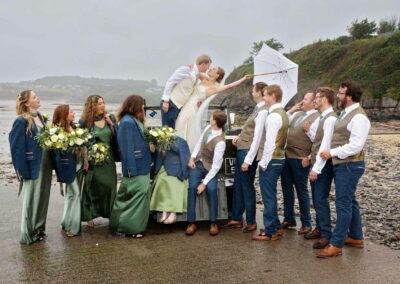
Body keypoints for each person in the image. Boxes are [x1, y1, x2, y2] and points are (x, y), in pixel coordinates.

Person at [316, 81, 370, 258]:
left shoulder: (359, 117)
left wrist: (331, 152)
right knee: (350, 201)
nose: (337, 96)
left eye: (340, 94)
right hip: (344, 164)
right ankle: (355, 236)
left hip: (350, 165)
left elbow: (355, 146)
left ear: (349, 97)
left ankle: (336, 244)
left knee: (343, 204)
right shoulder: (345, 114)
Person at [222, 82, 268, 233]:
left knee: (247, 185)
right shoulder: (257, 109)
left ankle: (251, 221)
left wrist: (249, 157)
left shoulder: (263, 110)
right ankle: (236, 217)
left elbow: (258, 135)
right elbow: (250, 130)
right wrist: (239, 137)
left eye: (254, 90)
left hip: (248, 151)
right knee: (239, 184)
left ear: (260, 92)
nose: (252, 92)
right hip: (243, 148)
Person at [9, 90, 53, 244]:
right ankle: (28, 234)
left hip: (46, 164)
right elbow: (16, 148)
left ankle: (39, 230)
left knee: (43, 198)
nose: (38, 97)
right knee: (31, 200)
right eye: (35, 97)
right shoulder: (21, 121)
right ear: (27, 103)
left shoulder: (40, 117)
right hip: (33, 166)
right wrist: (21, 171)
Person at [175, 67, 250, 151]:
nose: (210, 69)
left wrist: (243, 78)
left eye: (214, 69)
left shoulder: (216, 87)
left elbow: (229, 86)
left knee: (184, 126)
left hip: (191, 107)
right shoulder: (203, 78)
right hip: (186, 104)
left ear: (217, 75)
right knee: (182, 125)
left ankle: (183, 149)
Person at [110, 95, 152, 238]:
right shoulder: (127, 122)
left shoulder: (136, 120)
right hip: (135, 168)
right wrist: (130, 170)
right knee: (137, 199)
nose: (143, 108)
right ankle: (129, 228)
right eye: (142, 105)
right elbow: (126, 148)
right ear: (135, 105)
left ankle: (132, 226)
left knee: (140, 198)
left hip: (144, 165)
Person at [252, 84, 288, 241]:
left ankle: (270, 231)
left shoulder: (273, 116)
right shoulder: (283, 113)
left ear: (273, 96)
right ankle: (275, 226)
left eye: (265, 95)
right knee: (271, 194)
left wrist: (263, 163)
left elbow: (270, 143)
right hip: (280, 157)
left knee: (268, 196)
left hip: (272, 159)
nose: (264, 98)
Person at [280, 92, 319, 235]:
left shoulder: (317, 118)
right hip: (287, 155)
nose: (303, 101)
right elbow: (283, 121)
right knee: (286, 189)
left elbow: (318, 141)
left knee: (301, 191)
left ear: (314, 102)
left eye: (306, 99)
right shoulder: (296, 114)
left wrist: (309, 157)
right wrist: (290, 110)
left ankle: (306, 223)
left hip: (301, 158)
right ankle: (289, 218)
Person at [304, 87, 337, 248]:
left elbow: (325, 145)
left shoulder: (330, 119)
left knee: (320, 199)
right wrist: (308, 131)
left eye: (317, 97)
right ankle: (319, 227)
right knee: (316, 199)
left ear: (324, 99)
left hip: (323, 165)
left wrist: (316, 168)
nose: (315, 100)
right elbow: (316, 140)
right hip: (316, 162)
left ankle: (325, 234)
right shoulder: (322, 117)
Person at [185, 111, 227, 236]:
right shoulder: (208, 128)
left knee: (212, 189)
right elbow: (199, 143)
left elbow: (216, 167)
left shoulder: (221, 142)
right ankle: (191, 223)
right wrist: (192, 158)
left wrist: (204, 183)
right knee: (191, 187)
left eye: (211, 117)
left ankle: (213, 222)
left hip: (210, 169)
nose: (210, 118)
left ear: (215, 121)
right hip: (198, 165)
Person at [79, 95, 117, 227]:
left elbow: (117, 136)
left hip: (109, 159)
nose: (103, 105)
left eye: (103, 103)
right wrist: (87, 156)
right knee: (92, 187)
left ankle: (111, 213)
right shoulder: (84, 122)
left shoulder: (110, 118)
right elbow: (81, 141)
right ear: (92, 106)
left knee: (110, 186)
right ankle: (89, 215)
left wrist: (112, 124)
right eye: (100, 103)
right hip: (93, 160)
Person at [52, 105, 87, 237]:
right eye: (71, 111)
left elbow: (83, 146)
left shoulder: (76, 128)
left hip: (79, 166)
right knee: (76, 194)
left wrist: (84, 159)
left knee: (71, 196)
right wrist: (60, 174)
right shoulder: (58, 132)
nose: (73, 113)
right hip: (68, 168)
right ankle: (73, 227)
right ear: (64, 115)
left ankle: (66, 222)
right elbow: (56, 156)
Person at [161, 54, 212, 128]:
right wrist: (166, 101)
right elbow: (171, 82)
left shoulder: (197, 74)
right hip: (171, 103)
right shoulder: (186, 69)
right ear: (203, 64)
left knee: (173, 131)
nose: (208, 69)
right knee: (167, 131)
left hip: (179, 106)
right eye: (208, 66)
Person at [150, 136, 191, 224]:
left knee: (174, 183)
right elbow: (159, 157)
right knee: (161, 181)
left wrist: (184, 173)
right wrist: (156, 170)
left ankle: (173, 213)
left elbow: (185, 157)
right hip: (165, 168)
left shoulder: (181, 141)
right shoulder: (161, 140)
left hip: (178, 169)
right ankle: (165, 210)